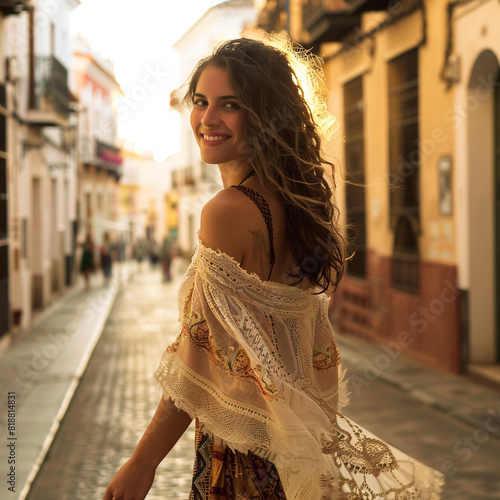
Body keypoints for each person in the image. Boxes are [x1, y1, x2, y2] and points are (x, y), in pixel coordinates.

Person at [103, 35, 444, 499]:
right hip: (295, 454)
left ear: (263, 115)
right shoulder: (293, 207)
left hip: (244, 459)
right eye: (201, 101)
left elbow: (196, 356)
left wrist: (142, 464)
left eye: (231, 105)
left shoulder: (227, 211)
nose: (207, 119)